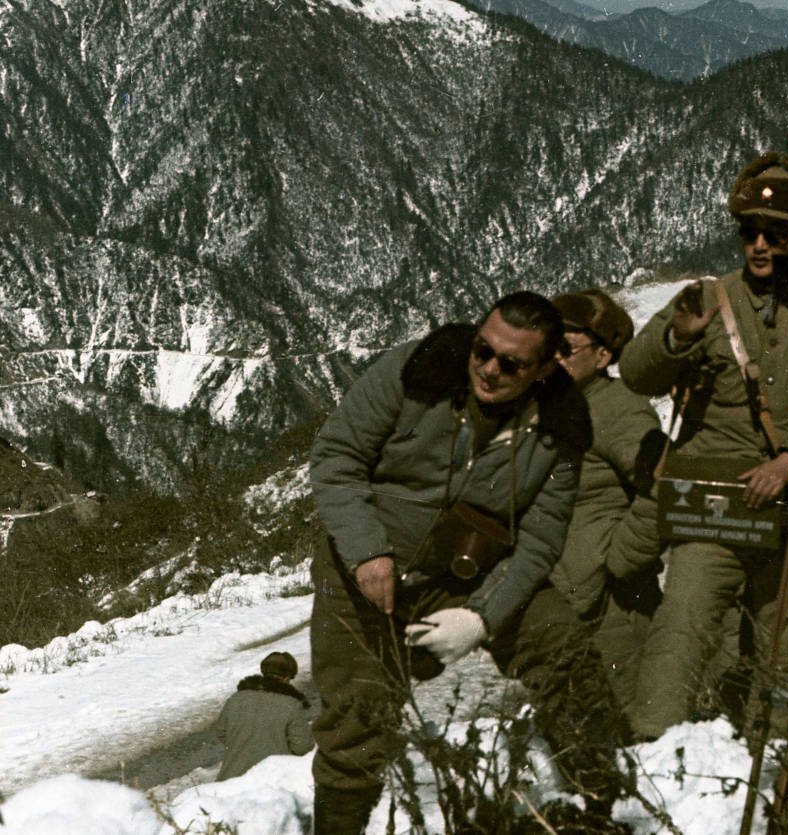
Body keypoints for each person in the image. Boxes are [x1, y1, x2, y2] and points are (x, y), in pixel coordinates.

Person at [308, 291, 605, 834]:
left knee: (560, 646)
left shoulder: (562, 428)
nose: (489, 370)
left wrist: (482, 618)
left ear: (543, 369)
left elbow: (541, 539)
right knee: (357, 717)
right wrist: (367, 551)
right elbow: (337, 457)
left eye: (511, 363)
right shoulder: (412, 371)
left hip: (464, 575)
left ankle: (602, 799)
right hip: (363, 568)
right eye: (481, 351)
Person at [618, 151, 788, 739]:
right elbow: (638, 375)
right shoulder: (707, 300)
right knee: (683, 626)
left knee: (784, 643)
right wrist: (675, 336)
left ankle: (772, 760)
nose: (760, 246)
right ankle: (651, 746)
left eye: (776, 234)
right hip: (713, 505)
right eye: (750, 233)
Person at [547, 288, 667, 712]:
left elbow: (664, 484)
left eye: (565, 347)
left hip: (612, 608)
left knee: (627, 725)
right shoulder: (555, 404)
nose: (553, 357)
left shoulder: (618, 409)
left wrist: (619, 557)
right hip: (565, 599)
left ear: (602, 356)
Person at [213, 651, 314, 781]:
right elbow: (303, 747)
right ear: (286, 678)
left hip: (229, 782)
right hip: (270, 784)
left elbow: (221, 732)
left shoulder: (236, 698)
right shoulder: (291, 704)